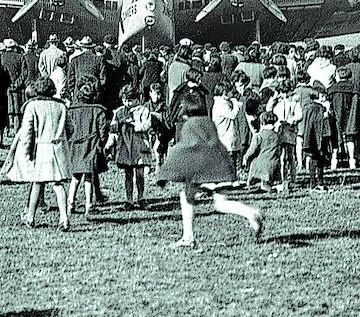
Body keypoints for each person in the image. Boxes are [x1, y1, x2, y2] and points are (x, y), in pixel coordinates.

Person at [154, 90, 264, 248]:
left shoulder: (189, 126)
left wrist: (165, 172)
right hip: (220, 166)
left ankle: (188, 236)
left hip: (203, 170)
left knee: (186, 197)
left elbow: (183, 149)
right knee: (221, 204)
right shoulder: (207, 122)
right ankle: (251, 213)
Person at [5, 77, 72, 230]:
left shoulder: (32, 106)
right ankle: (64, 218)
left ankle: (30, 216)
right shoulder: (61, 106)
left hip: (41, 148)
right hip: (58, 147)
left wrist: (27, 150)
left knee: (37, 182)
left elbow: (28, 132)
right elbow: (71, 128)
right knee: (58, 183)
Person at [64, 81, 109, 215]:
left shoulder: (71, 111)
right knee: (89, 176)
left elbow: (67, 129)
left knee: (75, 176)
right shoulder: (98, 110)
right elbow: (103, 130)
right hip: (91, 146)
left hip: (75, 146)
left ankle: (70, 203)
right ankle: (89, 205)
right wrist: (101, 143)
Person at [107, 85, 155, 208]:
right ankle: (129, 199)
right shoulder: (119, 112)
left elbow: (146, 126)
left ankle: (141, 197)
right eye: (125, 100)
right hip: (125, 146)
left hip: (139, 145)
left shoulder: (143, 111)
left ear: (136, 99)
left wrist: (133, 123)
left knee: (140, 173)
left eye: (130, 100)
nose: (127, 103)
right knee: (128, 174)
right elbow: (113, 128)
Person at [243, 110, 281, 193]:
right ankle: (266, 184)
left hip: (262, 163)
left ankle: (251, 183)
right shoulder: (277, 135)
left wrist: (245, 157)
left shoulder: (259, 136)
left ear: (262, 122)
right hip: (274, 163)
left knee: (254, 162)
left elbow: (252, 150)